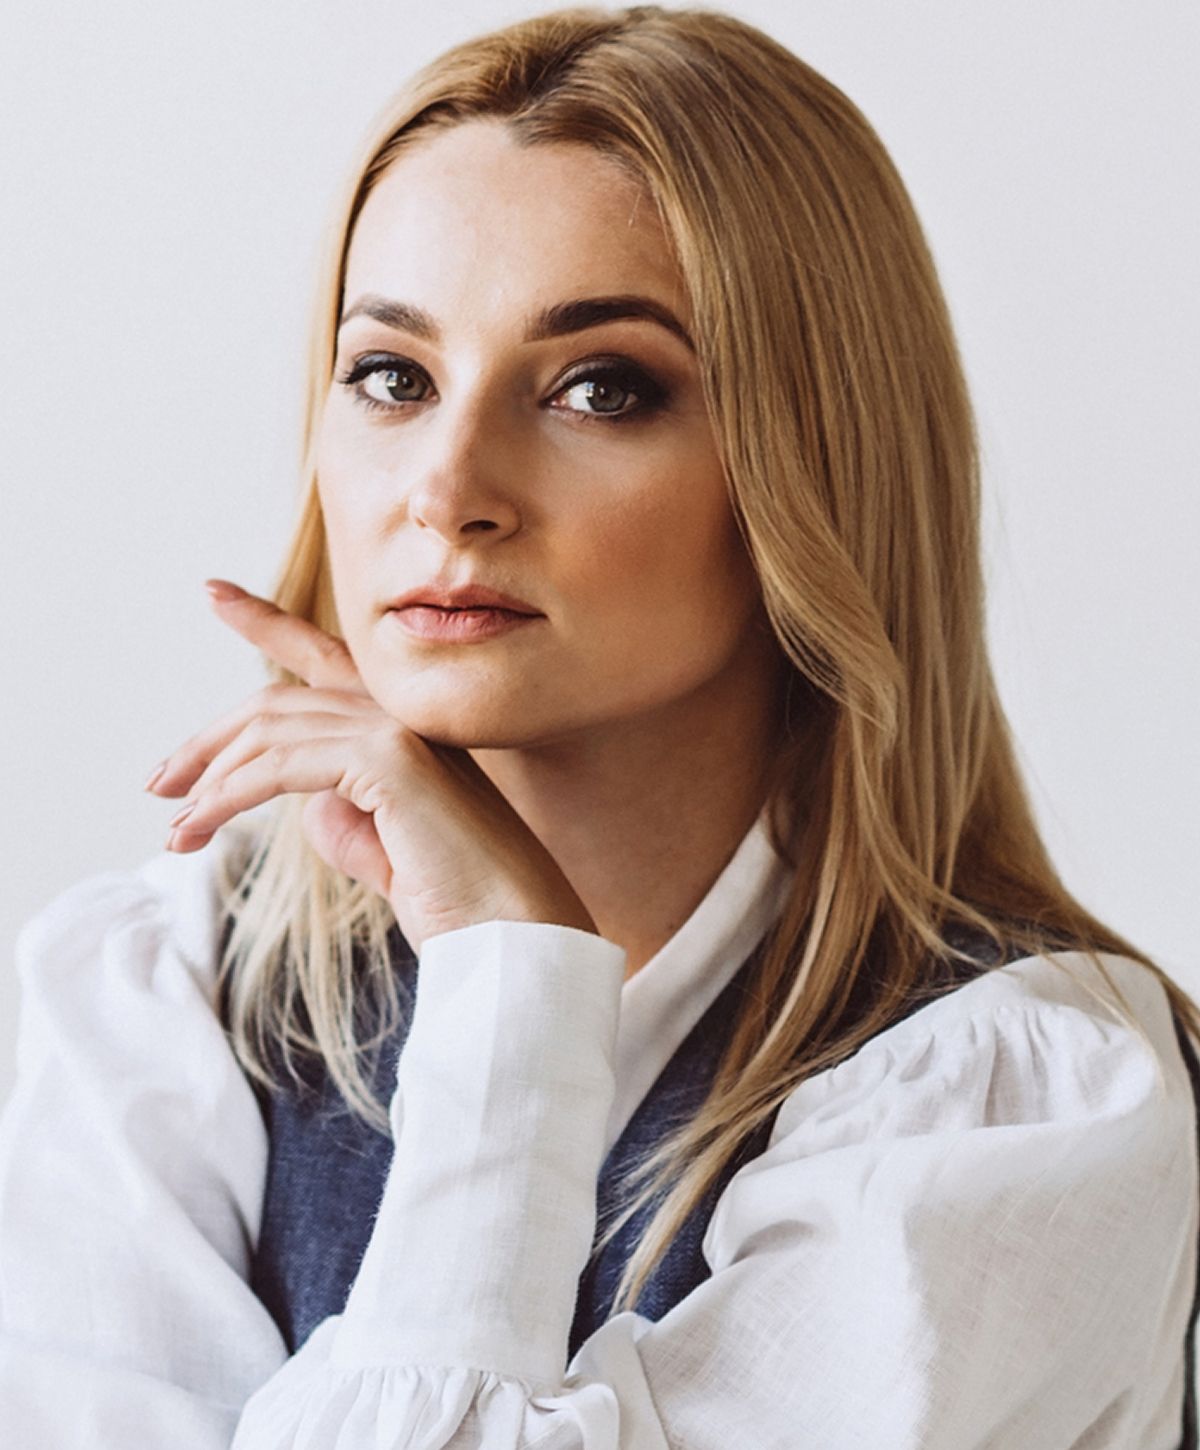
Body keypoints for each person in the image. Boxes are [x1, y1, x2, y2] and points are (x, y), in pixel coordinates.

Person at [1, 5, 1196, 1446]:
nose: (447, 488)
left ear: (810, 468)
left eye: (599, 387)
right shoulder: (153, 999)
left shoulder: (1017, 1100)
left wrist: (512, 988)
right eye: (394, 374)